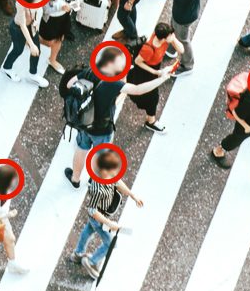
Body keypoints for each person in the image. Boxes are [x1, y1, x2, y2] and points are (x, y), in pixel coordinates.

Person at [63, 44, 170, 188]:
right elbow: (138, 90)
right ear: (111, 64)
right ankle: (94, 180)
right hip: (102, 128)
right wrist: (162, 78)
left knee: (82, 148)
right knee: (101, 155)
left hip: (84, 122)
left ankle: (75, 179)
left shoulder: (89, 72)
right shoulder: (113, 84)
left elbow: (70, 84)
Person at [72, 148, 141, 280]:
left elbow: (118, 182)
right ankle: (91, 262)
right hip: (99, 218)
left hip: (101, 217)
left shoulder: (109, 177)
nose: (116, 173)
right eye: (113, 170)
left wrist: (132, 195)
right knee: (111, 243)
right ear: (104, 171)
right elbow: (92, 210)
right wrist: (109, 223)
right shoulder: (98, 188)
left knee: (87, 231)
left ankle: (78, 253)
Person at [126, 23, 182, 132]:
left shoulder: (165, 39)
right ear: (163, 38)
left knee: (151, 96)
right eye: (171, 34)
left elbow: (182, 50)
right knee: (152, 97)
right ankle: (151, 122)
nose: (173, 35)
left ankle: (150, 120)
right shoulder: (149, 49)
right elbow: (138, 62)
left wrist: (173, 39)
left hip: (155, 69)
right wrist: (155, 72)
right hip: (145, 72)